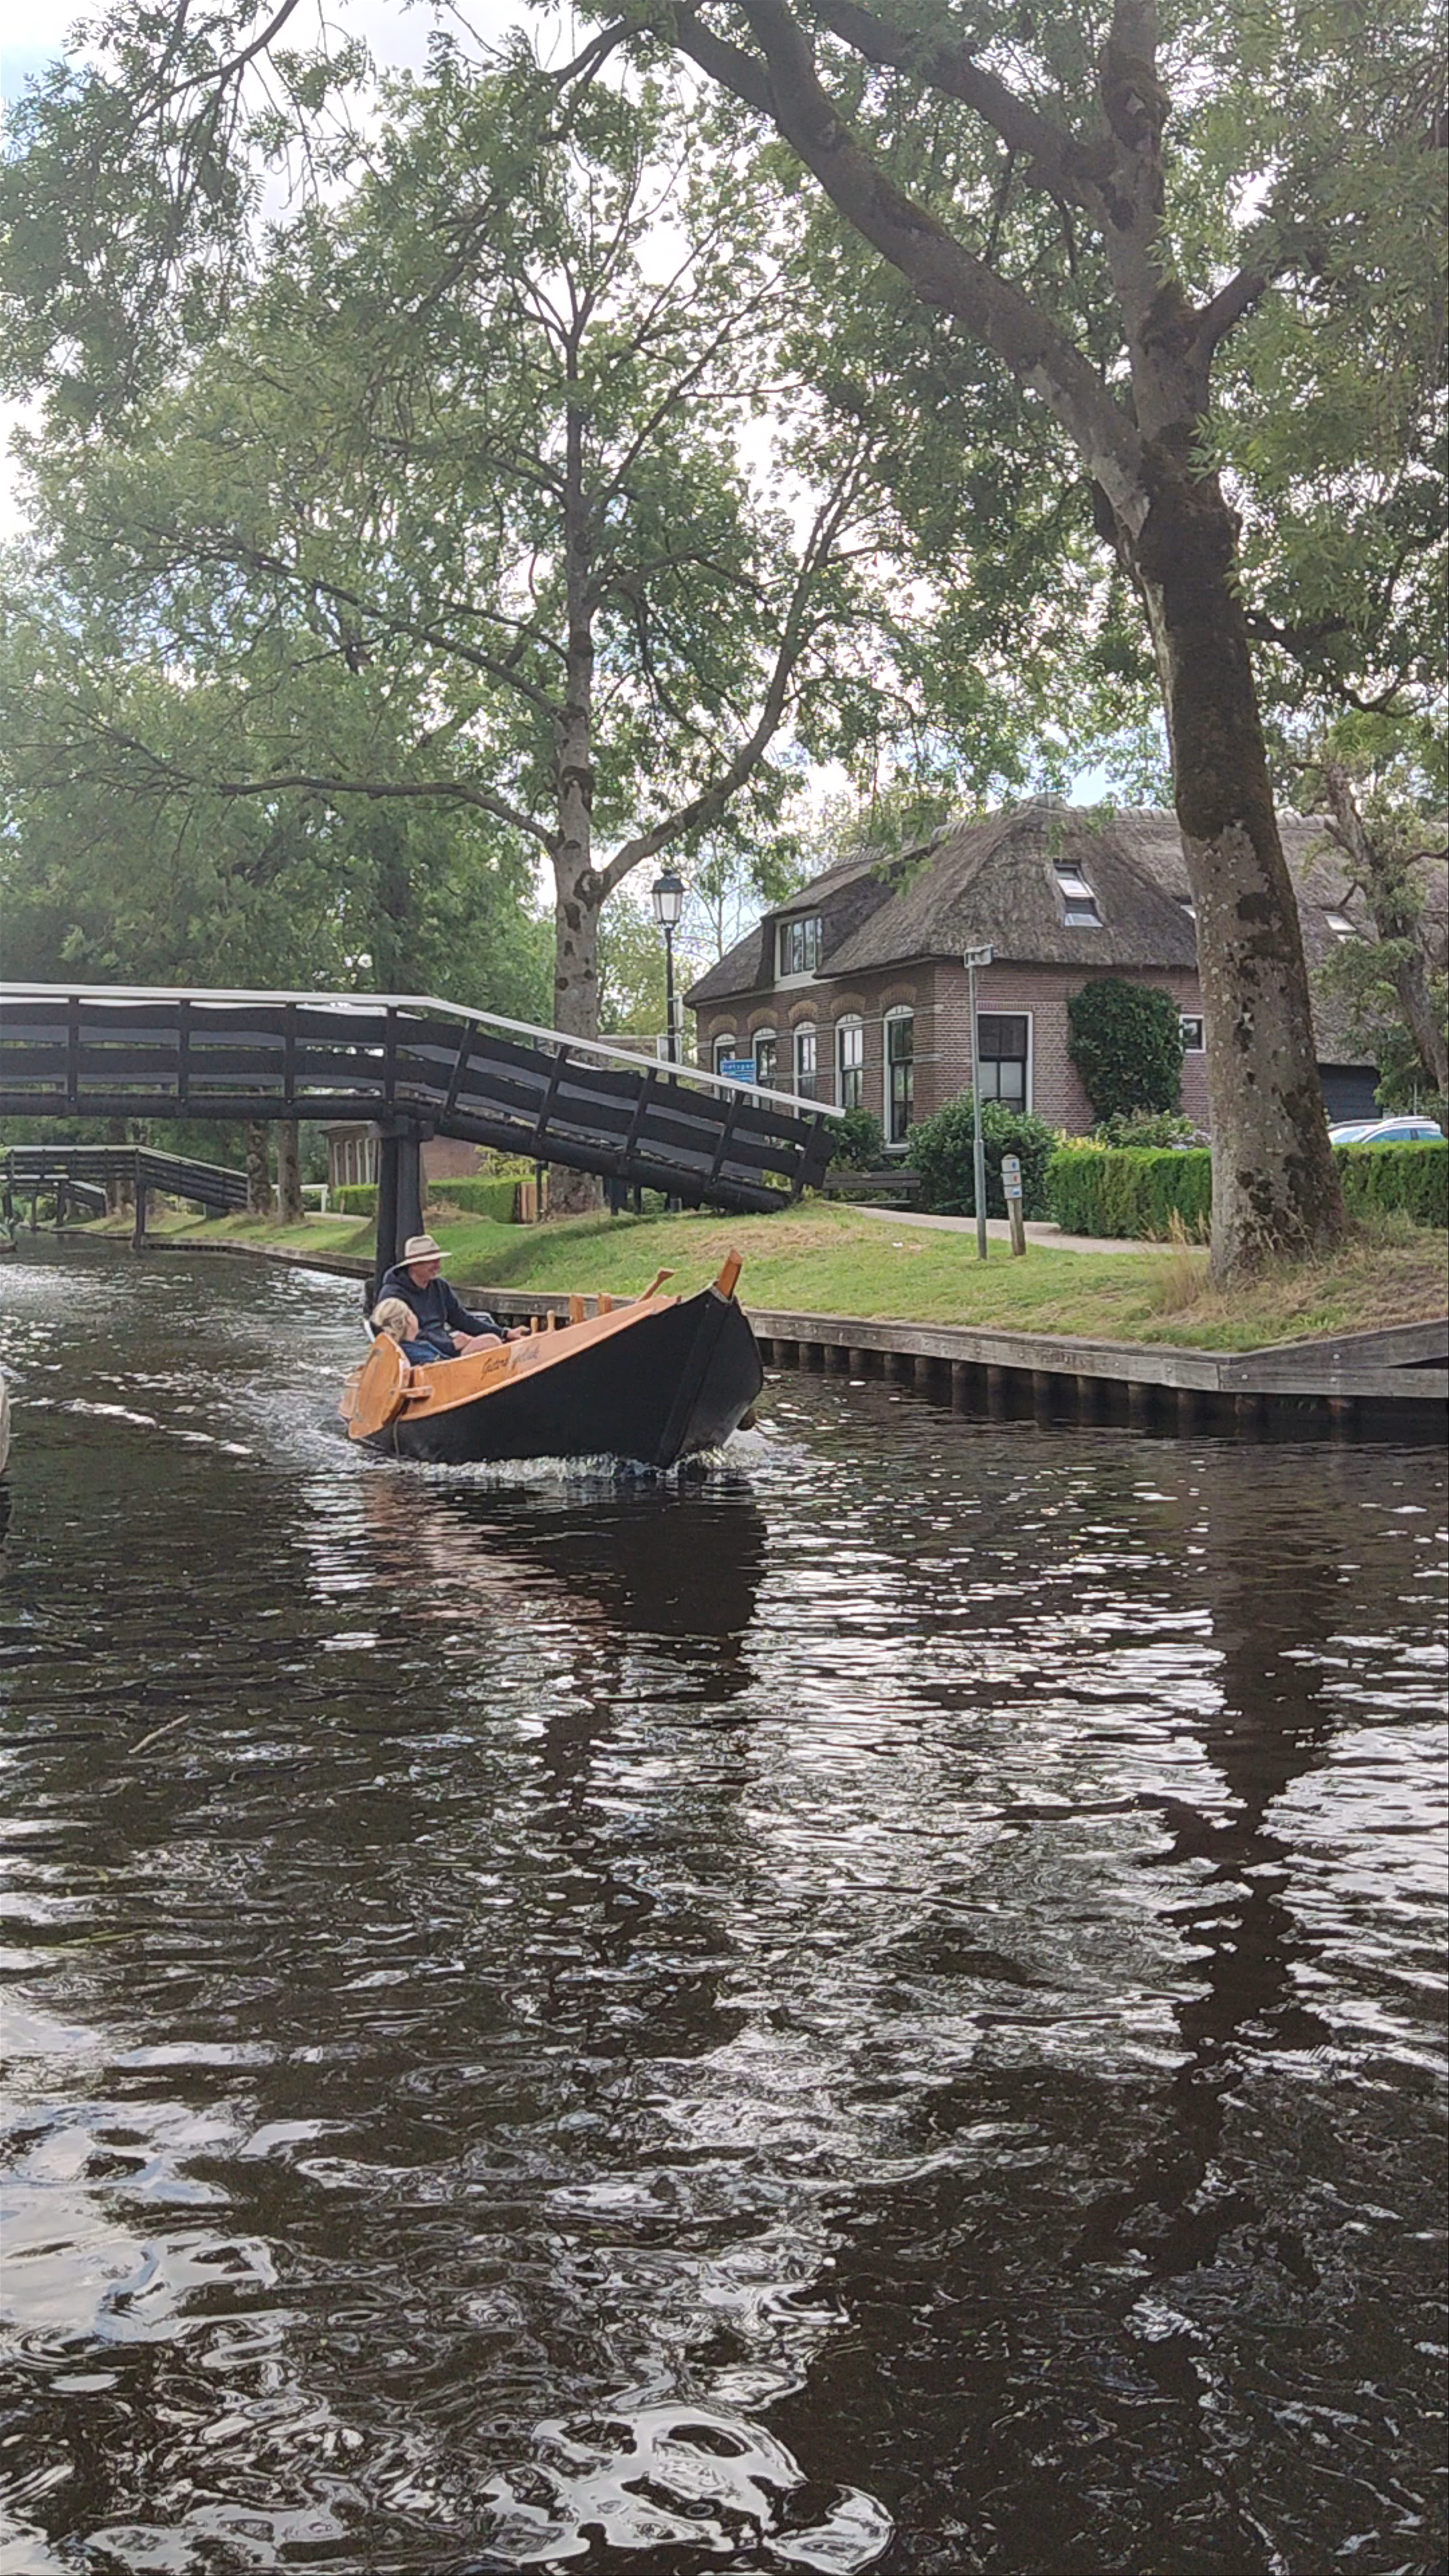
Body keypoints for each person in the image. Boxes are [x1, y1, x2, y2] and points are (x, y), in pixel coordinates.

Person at [373, 1233, 523, 1360]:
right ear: (414, 1265)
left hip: (446, 1349)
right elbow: (404, 1336)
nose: (438, 1265)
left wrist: (505, 1332)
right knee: (491, 1344)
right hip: (417, 1356)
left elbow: (462, 1319)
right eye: (432, 1261)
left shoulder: (440, 1287)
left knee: (492, 1342)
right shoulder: (393, 1295)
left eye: (438, 1259)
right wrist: (450, 1345)